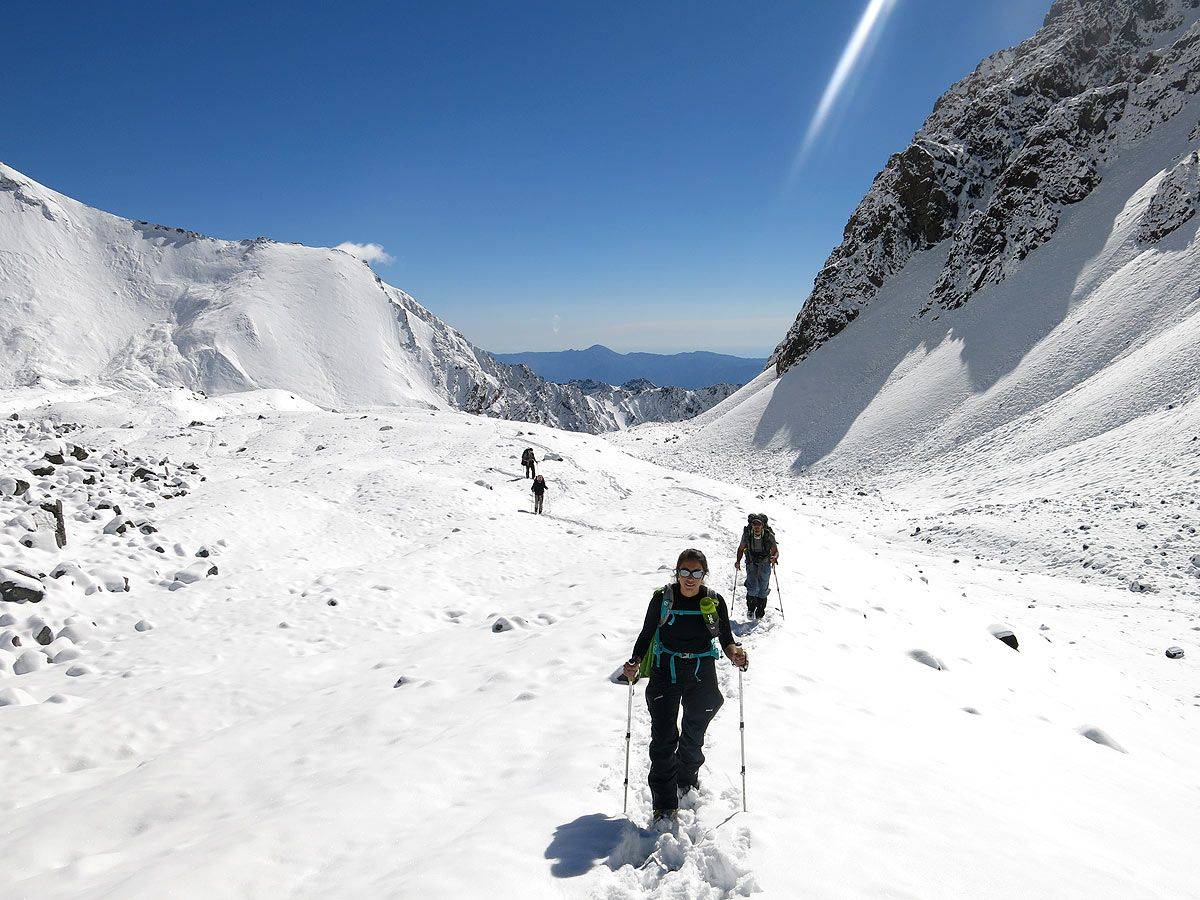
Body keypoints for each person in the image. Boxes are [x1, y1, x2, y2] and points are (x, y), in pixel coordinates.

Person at [622, 549, 748, 822]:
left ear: (704, 574)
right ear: (677, 572)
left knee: (693, 733)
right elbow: (647, 634)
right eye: (685, 572)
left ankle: (686, 777)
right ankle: (664, 804)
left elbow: (726, 638)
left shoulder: (714, 601)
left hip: (701, 672)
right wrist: (634, 661)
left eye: (696, 573)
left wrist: (735, 653)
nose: (690, 578)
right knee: (664, 738)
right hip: (665, 671)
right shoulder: (662, 599)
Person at [735, 514, 778, 619]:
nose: (757, 526)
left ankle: (760, 611)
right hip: (751, 562)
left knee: (763, 589)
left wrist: (774, 557)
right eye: (755, 524)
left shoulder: (768, 535)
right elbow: (741, 549)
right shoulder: (747, 535)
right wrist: (738, 561)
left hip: (765, 563)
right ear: (752, 525)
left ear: (763, 525)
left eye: (759, 524)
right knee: (752, 588)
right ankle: (751, 609)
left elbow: (775, 550)